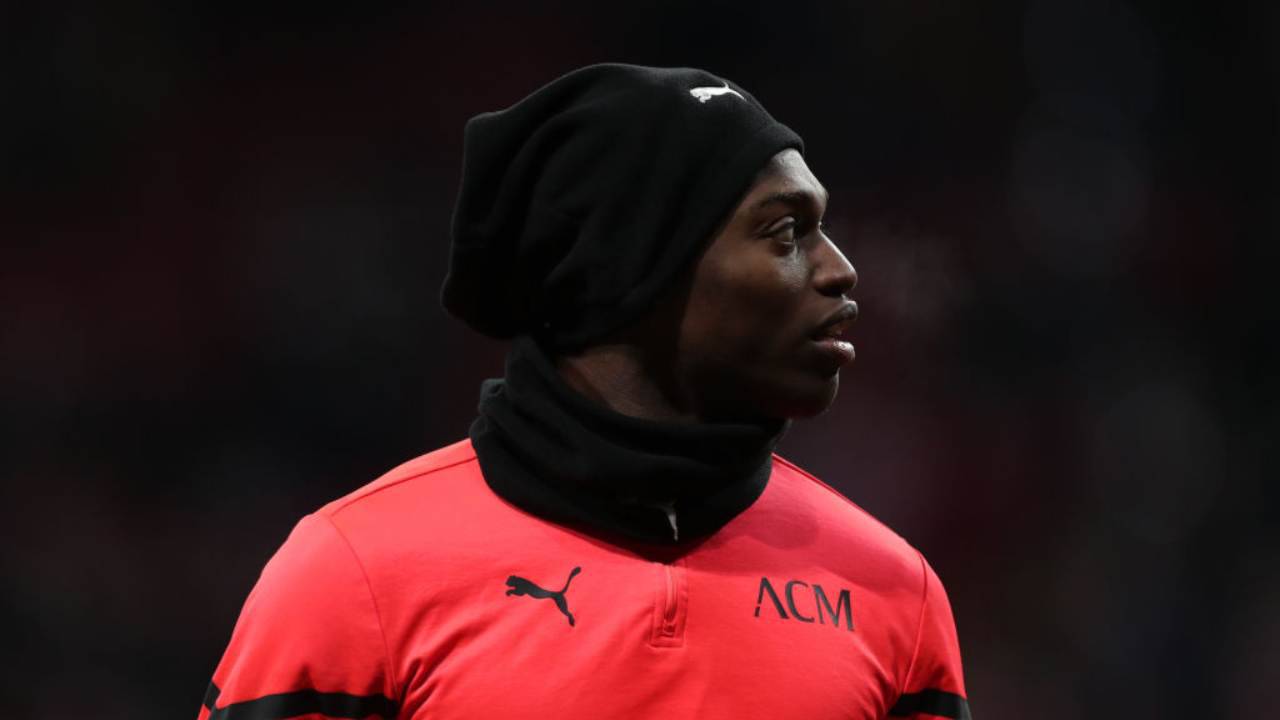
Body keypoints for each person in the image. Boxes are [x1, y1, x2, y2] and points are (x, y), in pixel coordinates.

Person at [198, 63, 970, 720]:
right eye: (785, 233)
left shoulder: (894, 592)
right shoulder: (354, 576)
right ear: (632, 265)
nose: (839, 270)